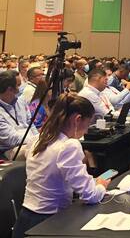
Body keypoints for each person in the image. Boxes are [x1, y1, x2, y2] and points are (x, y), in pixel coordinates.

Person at [12, 94, 110, 238]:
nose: (86, 131)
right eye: (88, 124)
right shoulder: (69, 146)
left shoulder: (36, 140)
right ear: (77, 119)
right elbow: (90, 195)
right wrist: (101, 186)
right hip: (50, 223)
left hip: (25, 221)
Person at [0, 71, 39, 160]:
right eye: (18, 85)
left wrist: (38, 137)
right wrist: (36, 140)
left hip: (31, 141)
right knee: (38, 152)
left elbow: (30, 124)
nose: (20, 88)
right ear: (10, 89)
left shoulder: (21, 101)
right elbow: (11, 139)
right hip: (10, 149)